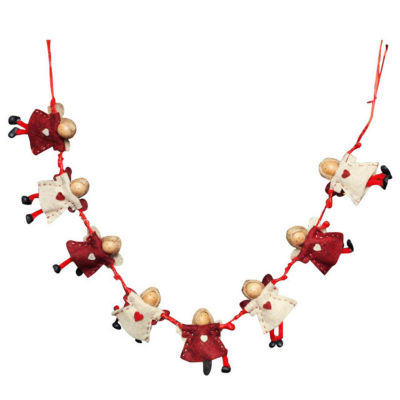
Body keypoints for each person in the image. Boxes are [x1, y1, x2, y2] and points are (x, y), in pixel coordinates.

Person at [240, 274, 296, 348]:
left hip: (277, 310)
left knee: (280, 323)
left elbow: (272, 284)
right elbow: (248, 308)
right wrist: (243, 312)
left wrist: (280, 278)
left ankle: (279, 338)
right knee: (270, 326)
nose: (255, 290)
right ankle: (273, 339)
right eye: (251, 291)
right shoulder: (254, 302)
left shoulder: (266, 291)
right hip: (268, 316)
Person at [22, 167, 89, 224]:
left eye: (79, 190)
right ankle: (30, 198)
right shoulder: (67, 183)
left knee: (46, 208)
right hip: (53, 192)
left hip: (57, 203)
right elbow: (63, 174)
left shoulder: (74, 199)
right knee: (42, 194)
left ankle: (33, 215)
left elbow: (75, 206)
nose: (77, 188)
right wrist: (61, 166)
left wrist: (79, 209)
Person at [286, 218, 353, 275]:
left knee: (335, 246)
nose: (299, 239)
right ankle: (349, 250)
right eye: (296, 240)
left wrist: (323, 226)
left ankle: (347, 248)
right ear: (295, 244)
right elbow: (300, 256)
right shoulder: (304, 250)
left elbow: (315, 228)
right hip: (321, 255)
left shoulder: (310, 234)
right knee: (332, 254)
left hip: (325, 243)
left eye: (299, 236)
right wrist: (296, 259)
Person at [319, 154, 392, 206]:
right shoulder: (335, 179)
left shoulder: (342, 164)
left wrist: (355, 146)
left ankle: (383, 177)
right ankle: (382, 180)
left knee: (367, 177)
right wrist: (330, 198)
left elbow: (348, 155)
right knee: (366, 181)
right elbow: (331, 189)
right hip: (355, 184)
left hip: (357, 174)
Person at [8, 103, 76, 155]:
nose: (60, 130)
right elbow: (54, 110)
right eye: (61, 128)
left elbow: (60, 146)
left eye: (62, 132)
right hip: (39, 124)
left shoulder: (59, 140)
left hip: (40, 137)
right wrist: (53, 106)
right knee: (31, 127)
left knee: (30, 132)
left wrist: (63, 149)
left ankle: (17, 129)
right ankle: (18, 122)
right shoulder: (56, 119)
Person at [53, 230, 122, 277]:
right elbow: (93, 234)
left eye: (111, 248)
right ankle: (60, 266)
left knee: (82, 263)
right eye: (107, 244)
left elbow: (110, 261)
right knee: (73, 258)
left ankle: (81, 269)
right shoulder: (98, 243)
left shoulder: (105, 256)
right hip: (82, 254)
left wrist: (112, 263)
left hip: (87, 261)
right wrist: (91, 231)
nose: (108, 247)